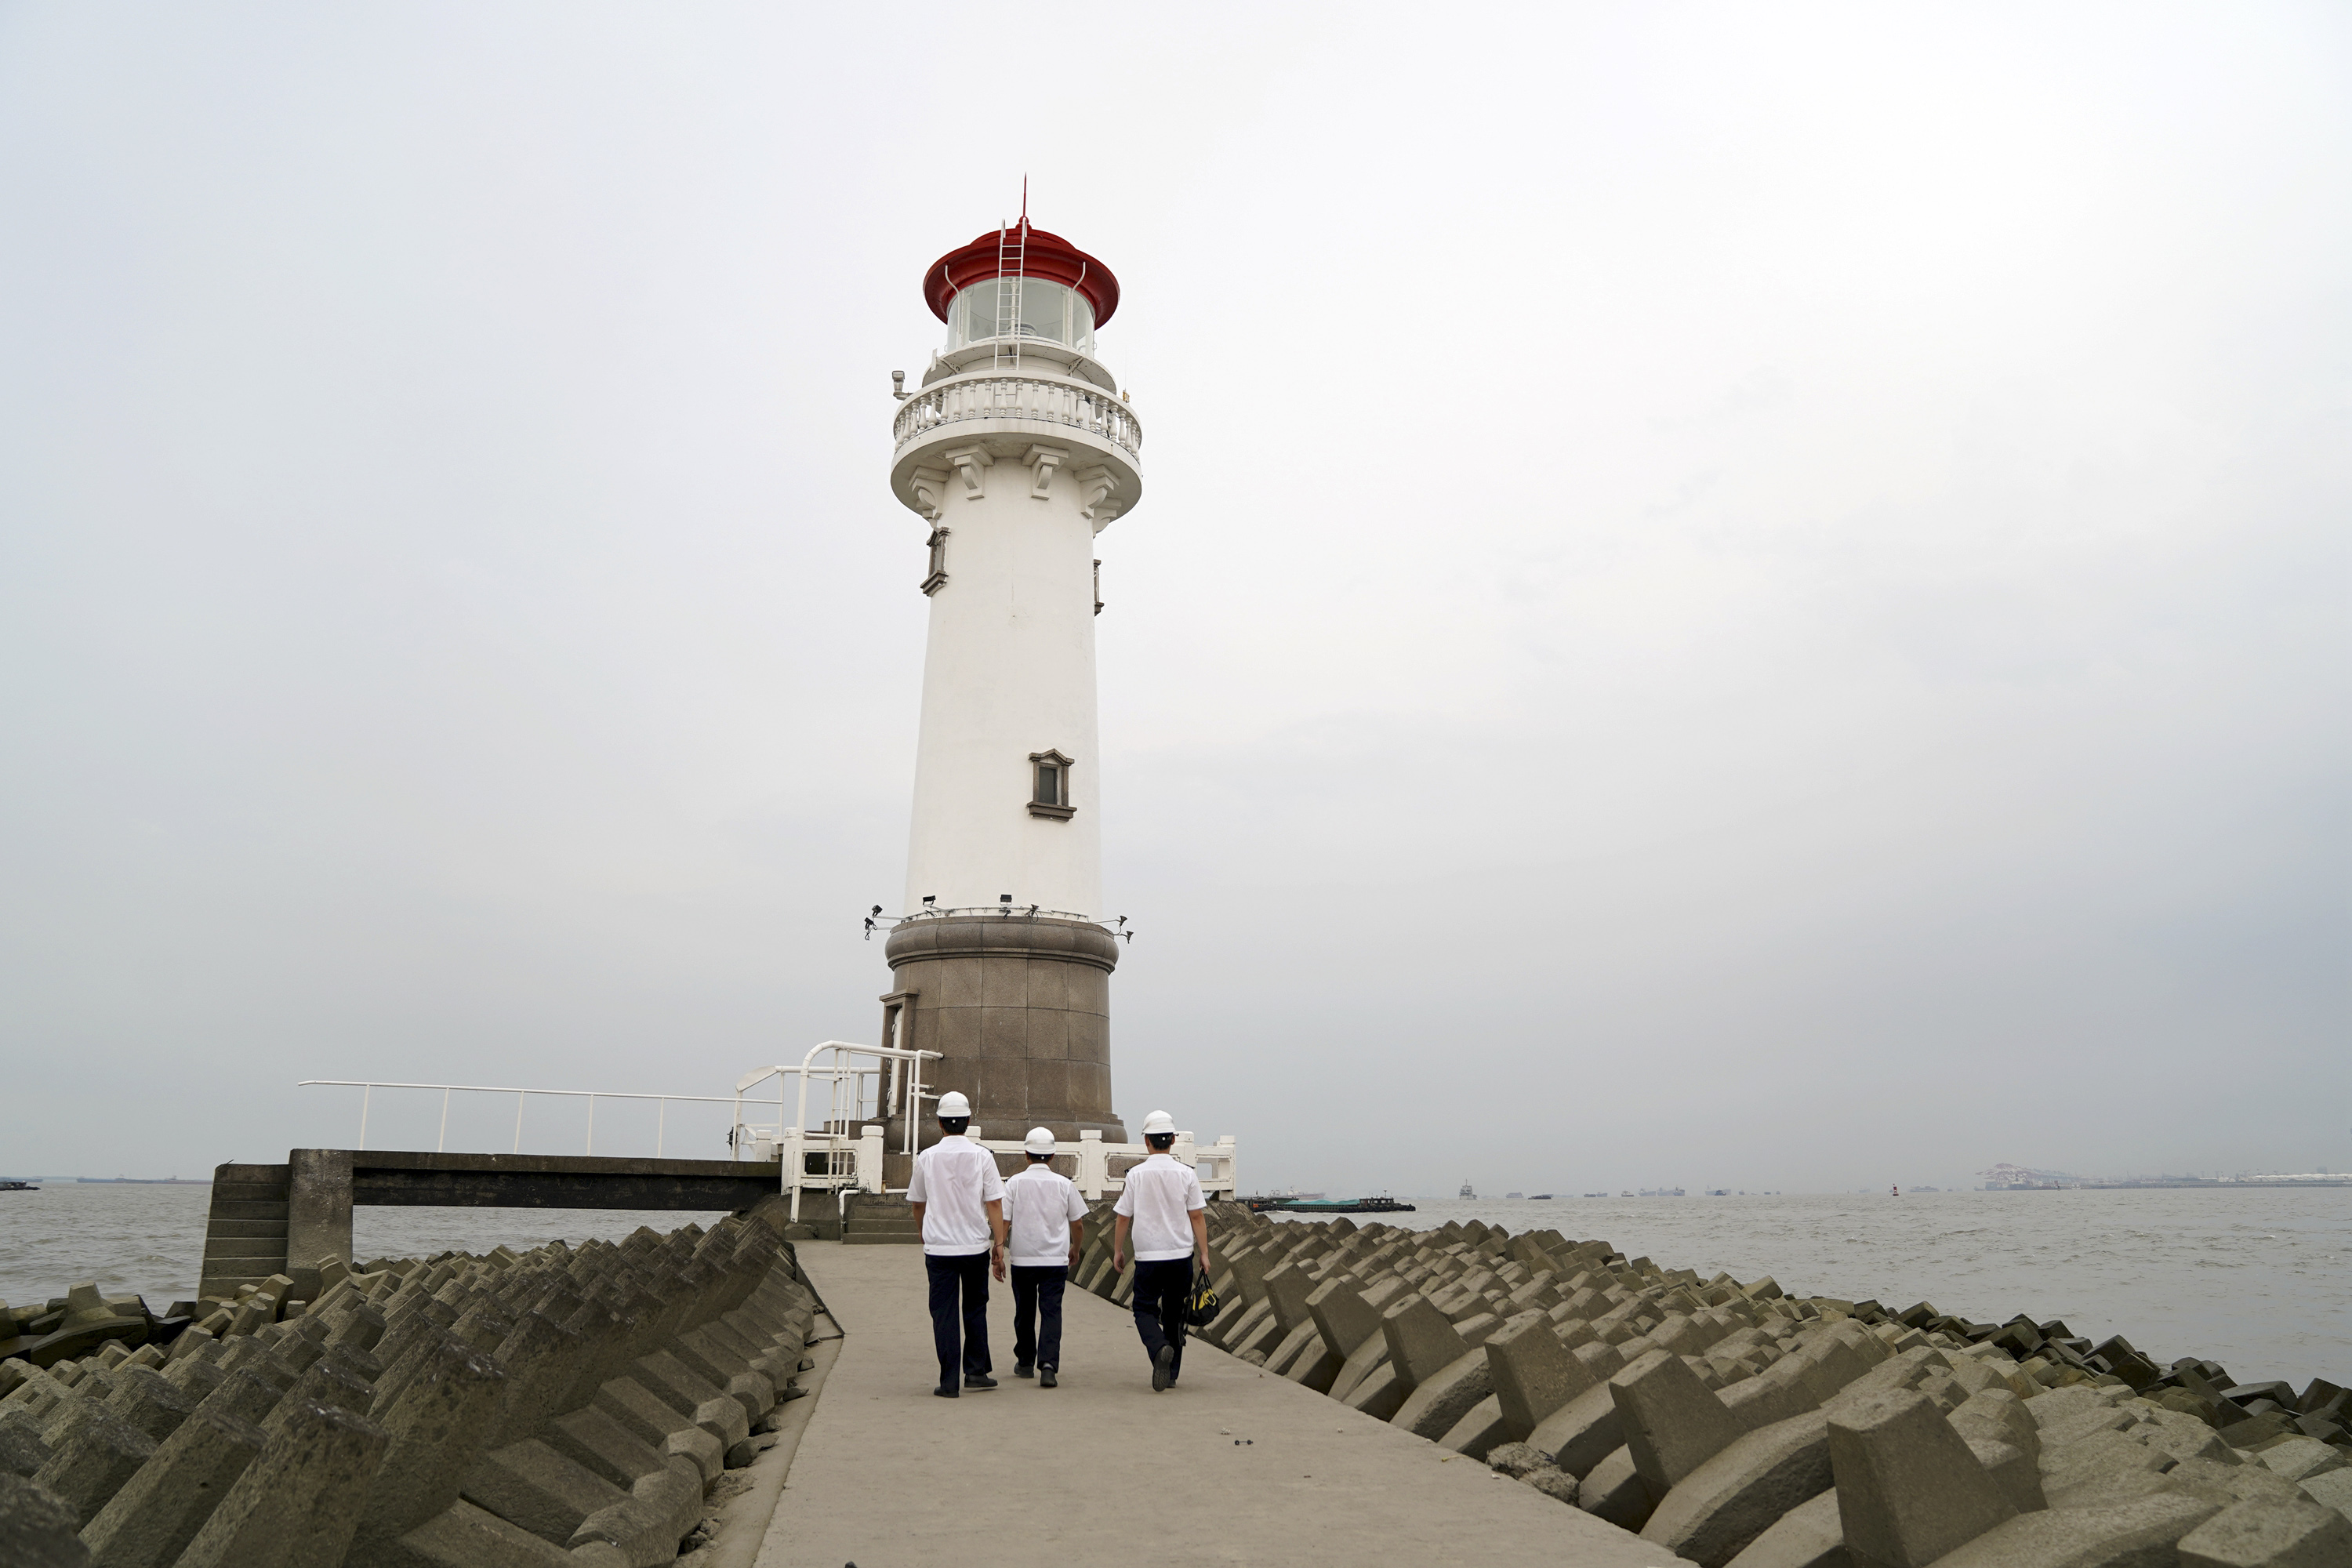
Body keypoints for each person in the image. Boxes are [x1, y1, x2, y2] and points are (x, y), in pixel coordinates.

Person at [906, 1090, 1007, 1397]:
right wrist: (999, 1245)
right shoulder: (983, 1157)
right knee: (975, 1308)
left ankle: (949, 1381)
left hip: (939, 1248)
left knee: (944, 1312)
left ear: (939, 1123)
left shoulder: (926, 1157)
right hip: (975, 1245)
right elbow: (994, 1203)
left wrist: (924, 1231)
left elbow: (918, 1203)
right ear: (968, 1121)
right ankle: (976, 1371)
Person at [1111, 1109, 1208, 1392]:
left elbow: (1123, 1217)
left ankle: (1158, 1349)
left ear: (1147, 1142)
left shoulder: (1136, 1175)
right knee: (1175, 1314)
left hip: (1148, 1257)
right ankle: (1173, 1372)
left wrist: (1118, 1250)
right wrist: (1204, 1253)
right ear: (1174, 1140)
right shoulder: (1186, 1175)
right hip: (1180, 1256)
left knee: (1143, 1309)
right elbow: (1197, 1217)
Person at [1003, 1127, 1087, 1388]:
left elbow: (1004, 1221)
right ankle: (1049, 1365)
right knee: (1051, 1311)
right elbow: (1078, 1223)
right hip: (1054, 1260)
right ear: (1052, 1156)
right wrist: (1076, 1247)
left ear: (1026, 1155)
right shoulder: (1065, 1185)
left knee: (1024, 1311)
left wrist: (997, 1249)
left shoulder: (1014, 1183)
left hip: (1023, 1258)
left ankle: (1026, 1361)